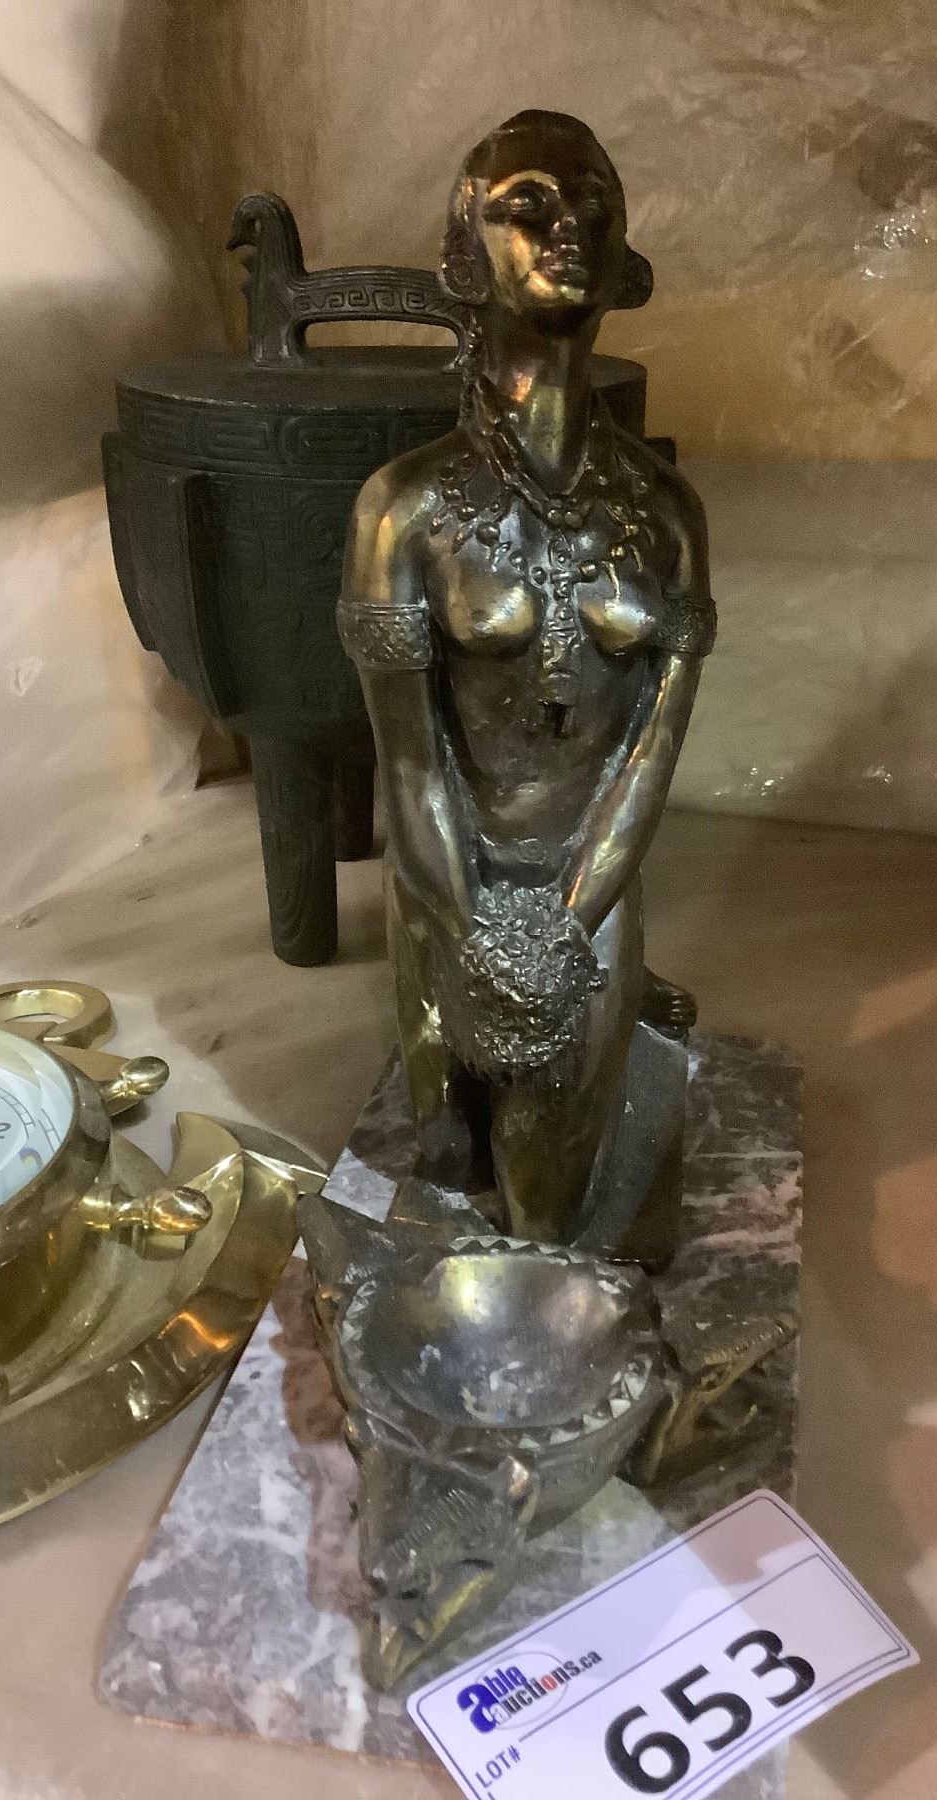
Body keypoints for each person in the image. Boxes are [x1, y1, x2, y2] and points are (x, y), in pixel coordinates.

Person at [338, 110, 714, 1245]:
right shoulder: (402, 512)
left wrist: (565, 929)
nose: (568, 229)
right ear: (466, 254)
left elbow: (649, 752)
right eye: (528, 207)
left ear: (626, 261)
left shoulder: (668, 516)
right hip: (447, 874)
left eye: (595, 208)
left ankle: (617, 1018)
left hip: (590, 878)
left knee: (543, 1202)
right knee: (452, 1159)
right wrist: (480, 938)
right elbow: (412, 770)